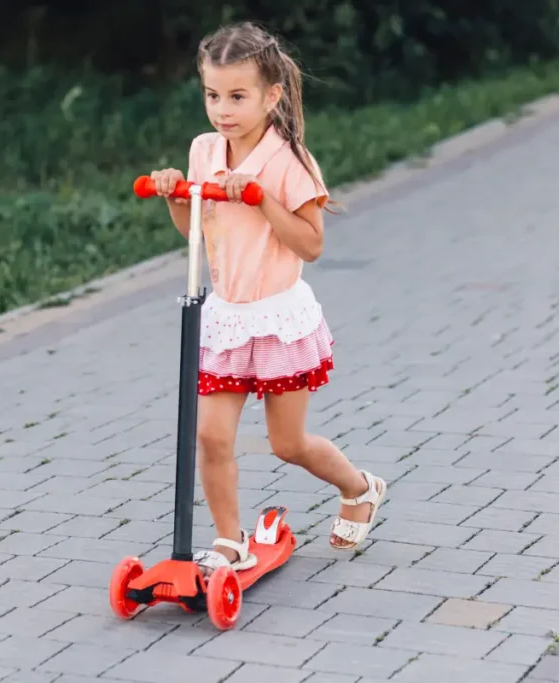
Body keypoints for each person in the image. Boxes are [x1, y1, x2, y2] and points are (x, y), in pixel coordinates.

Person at [148, 21, 387, 575]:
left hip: (279, 319)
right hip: (228, 318)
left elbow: (312, 242)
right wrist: (172, 192)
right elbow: (193, 230)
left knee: (288, 443)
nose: (222, 109)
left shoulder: (289, 160)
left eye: (237, 96)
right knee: (210, 436)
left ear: (271, 95)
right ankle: (229, 540)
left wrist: (260, 200)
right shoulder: (205, 150)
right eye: (212, 95)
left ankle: (360, 488)